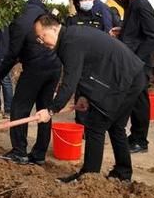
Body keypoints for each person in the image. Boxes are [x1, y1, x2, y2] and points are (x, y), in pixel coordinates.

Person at [33, 14, 147, 183]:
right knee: (116, 127)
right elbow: (85, 70)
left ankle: (89, 177)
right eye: (38, 39)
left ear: (54, 28)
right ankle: (123, 173)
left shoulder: (69, 43)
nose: (42, 42)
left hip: (125, 78)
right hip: (129, 75)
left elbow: (70, 81)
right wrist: (85, 96)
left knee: (95, 125)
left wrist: (51, 110)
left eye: (42, 36)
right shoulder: (72, 36)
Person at [0, 0, 61, 165]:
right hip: (54, 67)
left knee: (20, 108)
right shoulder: (43, 12)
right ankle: (39, 154)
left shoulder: (20, 19)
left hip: (36, 69)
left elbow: (12, 53)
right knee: (44, 110)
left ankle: (19, 151)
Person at [110, 0, 154, 154]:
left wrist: (138, 59)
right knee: (136, 100)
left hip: (139, 63)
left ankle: (140, 140)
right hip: (133, 60)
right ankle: (136, 137)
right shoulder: (133, 4)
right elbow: (136, 30)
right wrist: (122, 31)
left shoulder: (142, 5)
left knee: (139, 102)